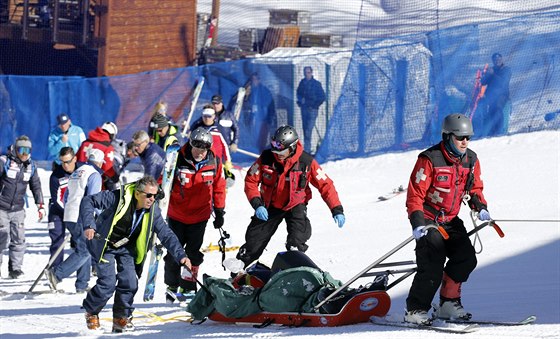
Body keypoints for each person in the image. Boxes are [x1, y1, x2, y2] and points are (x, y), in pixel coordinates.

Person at [403, 113, 491, 325]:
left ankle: (448, 303)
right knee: (433, 262)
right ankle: (415, 309)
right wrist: (417, 223)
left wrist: (480, 208)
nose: (465, 142)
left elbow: (474, 188)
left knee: (466, 258)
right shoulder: (430, 159)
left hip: (450, 220)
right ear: (447, 136)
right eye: (460, 137)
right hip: (428, 219)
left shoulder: (471, 159)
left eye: (468, 138)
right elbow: (415, 195)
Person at [80, 175, 192, 332]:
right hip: (105, 244)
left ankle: (121, 317)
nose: (152, 199)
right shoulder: (117, 197)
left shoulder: (153, 211)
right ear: (138, 193)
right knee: (107, 284)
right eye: (148, 195)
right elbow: (88, 201)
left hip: (127, 248)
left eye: (155, 195)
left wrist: (181, 255)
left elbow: (166, 234)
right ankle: (91, 311)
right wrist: (89, 224)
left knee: (130, 282)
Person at [234, 125, 345, 269]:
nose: (277, 153)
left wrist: (336, 209)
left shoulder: (306, 162)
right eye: (275, 149)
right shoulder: (266, 159)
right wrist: (257, 204)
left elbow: (326, 185)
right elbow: (251, 180)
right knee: (254, 243)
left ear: (292, 147)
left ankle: (294, 274)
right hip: (269, 205)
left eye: (282, 150)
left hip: (295, 205)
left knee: (296, 242)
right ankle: (237, 274)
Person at [164, 127, 226, 301]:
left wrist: (220, 211)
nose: (200, 152)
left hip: (200, 216)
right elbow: (165, 179)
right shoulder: (178, 158)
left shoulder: (214, 162)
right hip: (177, 214)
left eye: (204, 148)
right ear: (190, 144)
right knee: (173, 252)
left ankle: (188, 287)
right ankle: (171, 285)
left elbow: (219, 188)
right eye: (196, 147)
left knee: (193, 254)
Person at [46, 148, 104, 293]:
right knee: (85, 250)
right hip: (81, 215)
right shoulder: (94, 175)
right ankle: (56, 274)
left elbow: (66, 197)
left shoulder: (77, 172)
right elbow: (93, 199)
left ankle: (82, 284)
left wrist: (70, 210)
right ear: (100, 163)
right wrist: (101, 215)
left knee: (83, 248)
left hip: (70, 215)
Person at [0, 136, 45, 279]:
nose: (24, 153)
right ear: (15, 149)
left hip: (18, 209)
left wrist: (40, 204)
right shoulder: (4, 162)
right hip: (1, 208)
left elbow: (36, 186)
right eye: (21, 150)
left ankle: (15, 268)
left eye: (28, 150)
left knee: (19, 239)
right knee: (2, 239)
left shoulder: (30, 166)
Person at [47, 147, 79, 268]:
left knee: (82, 243)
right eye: (62, 162)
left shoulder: (82, 170)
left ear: (75, 158)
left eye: (68, 161)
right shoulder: (56, 176)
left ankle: (84, 275)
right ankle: (55, 271)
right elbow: (57, 200)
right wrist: (70, 212)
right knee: (58, 241)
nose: (65, 165)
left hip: (77, 212)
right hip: (58, 212)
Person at [190, 105, 233, 177]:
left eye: (209, 116)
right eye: (205, 116)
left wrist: (227, 161)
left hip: (216, 163)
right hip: (201, 163)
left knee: (219, 185)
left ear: (213, 116)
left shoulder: (219, 128)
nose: (207, 119)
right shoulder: (198, 128)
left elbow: (225, 145)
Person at [77, 124, 118, 190]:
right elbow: (107, 167)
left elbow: (76, 159)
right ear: (112, 135)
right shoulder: (108, 147)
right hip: (95, 182)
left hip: (79, 178)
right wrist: (115, 178)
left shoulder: (85, 143)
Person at [480, 52, 512, 136]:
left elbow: (502, 82)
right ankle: (492, 130)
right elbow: (483, 83)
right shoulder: (492, 70)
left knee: (497, 107)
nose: (497, 61)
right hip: (491, 95)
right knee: (490, 110)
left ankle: (499, 131)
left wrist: (492, 74)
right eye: (495, 60)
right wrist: (485, 75)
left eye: (498, 59)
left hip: (502, 95)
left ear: (502, 59)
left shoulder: (506, 69)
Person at [243, 72, 276, 151]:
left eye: (255, 79)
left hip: (262, 117)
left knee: (262, 135)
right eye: (253, 80)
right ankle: (256, 150)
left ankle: (261, 151)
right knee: (254, 134)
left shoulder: (264, 90)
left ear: (259, 80)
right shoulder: (250, 90)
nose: (254, 81)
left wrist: (269, 117)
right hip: (253, 116)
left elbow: (269, 105)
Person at [296, 66, 326, 153]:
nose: (307, 74)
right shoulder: (302, 83)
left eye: (308, 72)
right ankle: (307, 149)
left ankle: (307, 150)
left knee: (309, 129)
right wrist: (300, 101)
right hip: (304, 109)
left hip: (312, 110)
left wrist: (315, 105)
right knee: (305, 129)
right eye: (305, 72)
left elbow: (322, 97)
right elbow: (298, 94)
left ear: (311, 73)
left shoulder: (316, 84)